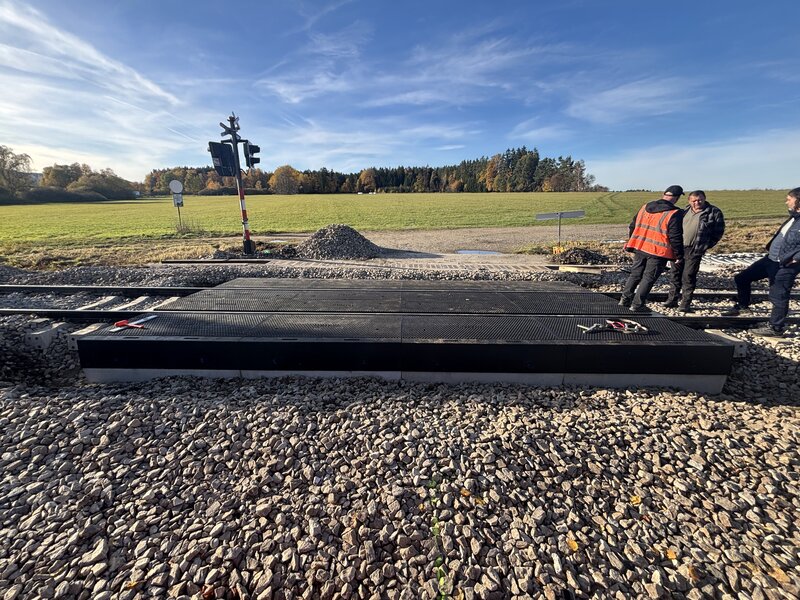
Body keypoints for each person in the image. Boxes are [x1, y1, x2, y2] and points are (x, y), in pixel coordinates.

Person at [722, 188, 800, 337]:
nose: (786, 201)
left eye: (789, 199)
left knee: (778, 296)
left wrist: (797, 258)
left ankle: (775, 328)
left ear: (798, 201)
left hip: (785, 265)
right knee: (742, 278)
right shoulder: (794, 217)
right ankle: (743, 306)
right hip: (770, 259)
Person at [619, 185, 685, 312]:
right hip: (658, 252)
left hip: (640, 246)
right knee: (648, 278)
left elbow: (632, 225)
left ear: (664, 194)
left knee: (635, 274)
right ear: (676, 198)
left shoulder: (645, 207)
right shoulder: (674, 213)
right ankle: (637, 305)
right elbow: (675, 236)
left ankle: (624, 300)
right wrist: (679, 255)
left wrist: (631, 241)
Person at [664, 190, 725, 312]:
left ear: (704, 199)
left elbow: (718, 232)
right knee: (675, 274)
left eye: (700, 200)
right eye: (694, 200)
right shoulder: (684, 211)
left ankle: (685, 303)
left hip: (695, 249)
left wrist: (705, 246)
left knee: (688, 275)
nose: (697, 202)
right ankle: (672, 300)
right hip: (679, 248)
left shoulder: (713, 212)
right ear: (689, 201)